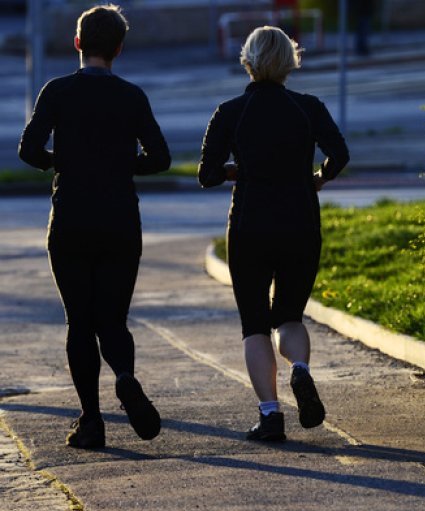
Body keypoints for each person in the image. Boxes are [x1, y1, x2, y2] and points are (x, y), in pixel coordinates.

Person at [18, 4, 170, 449]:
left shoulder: (57, 91)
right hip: (120, 221)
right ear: (119, 49)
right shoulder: (132, 96)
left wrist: (62, 161)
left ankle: (91, 421)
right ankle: (124, 376)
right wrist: (121, 164)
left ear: (78, 43)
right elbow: (160, 158)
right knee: (114, 320)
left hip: (71, 219)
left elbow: (28, 149)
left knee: (79, 323)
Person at [198, 26, 349, 441]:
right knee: (289, 316)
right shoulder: (308, 107)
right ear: (290, 61)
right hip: (301, 222)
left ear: (247, 61)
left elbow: (206, 174)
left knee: (255, 324)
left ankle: (270, 416)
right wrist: (319, 177)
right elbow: (340, 154)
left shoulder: (230, 111)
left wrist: (237, 170)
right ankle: (300, 369)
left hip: (250, 226)